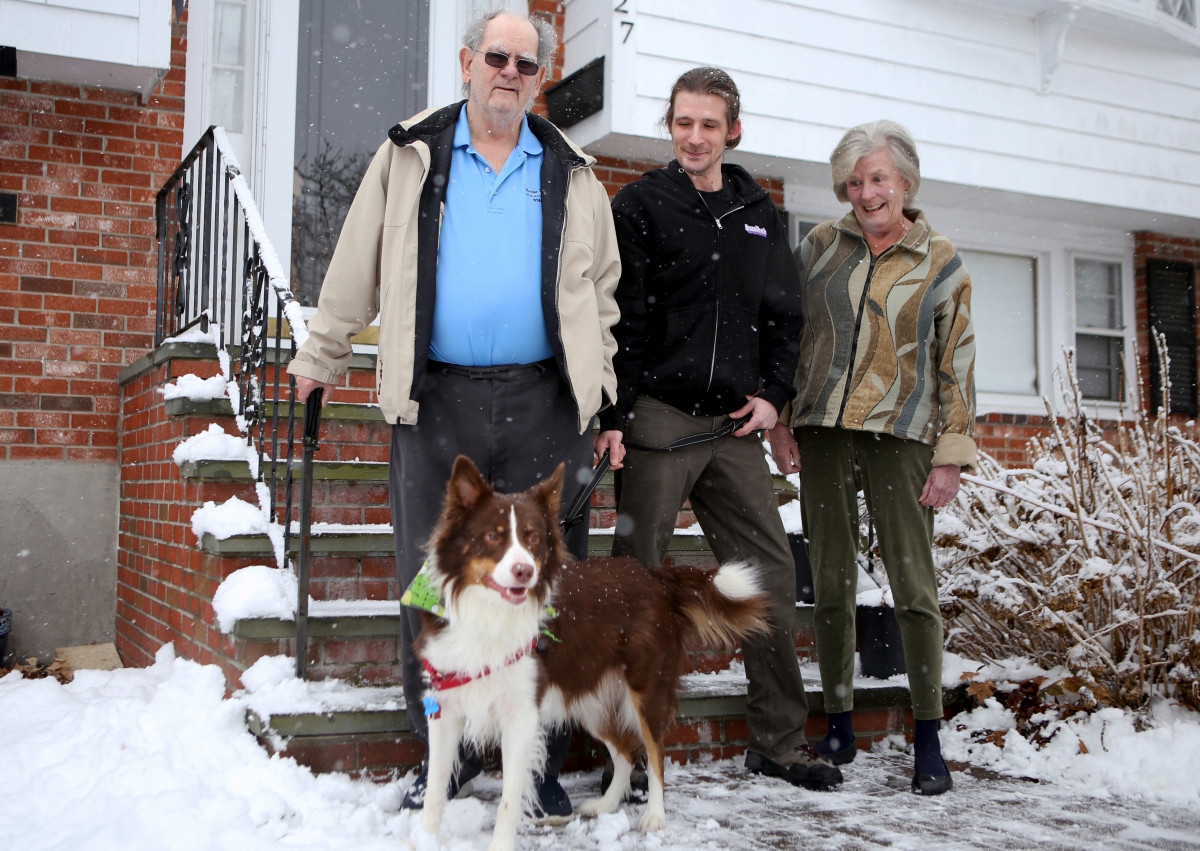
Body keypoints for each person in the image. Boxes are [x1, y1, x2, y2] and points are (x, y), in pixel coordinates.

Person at [287, 6, 621, 817]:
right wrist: (319, 355)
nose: (511, 72)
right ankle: (441, 752)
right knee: (432, 579)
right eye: (498, 57)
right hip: (436, 397)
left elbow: (602, 296)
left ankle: (530, 758)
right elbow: (355, 263)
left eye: (527, 63)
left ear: (540, 79)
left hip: (547, 399)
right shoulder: (411, 156)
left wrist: (603, 398)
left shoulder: (572, 171)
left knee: (539, 584)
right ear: (467, 61)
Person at [595, 67, 843, 792]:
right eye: (683, 123)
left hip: (735, 427)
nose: (695, 137)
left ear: (733, 128)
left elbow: (783, 316)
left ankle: (779, 740)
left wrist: (773, 395)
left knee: (767, 574)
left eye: (709, 124)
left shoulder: (758, 211)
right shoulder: (641, 205)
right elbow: (624, 317)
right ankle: (626, 746)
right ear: (669, 127)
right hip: (660, 420)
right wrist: (617, 415)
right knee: (635, 581)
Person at [767, 119, 976, 796]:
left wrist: (950, 455)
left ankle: (927, 735)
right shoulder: (821, 247)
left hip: (903, 437)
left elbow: (958, 364)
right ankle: (839, 723)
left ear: (905, 182)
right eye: (855, 181)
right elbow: (791, 338)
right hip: (825, 431)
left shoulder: (939, 257)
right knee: (828, 584)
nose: (866, 192)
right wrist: (785, 420)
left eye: (878, 178)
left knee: (914, 589)